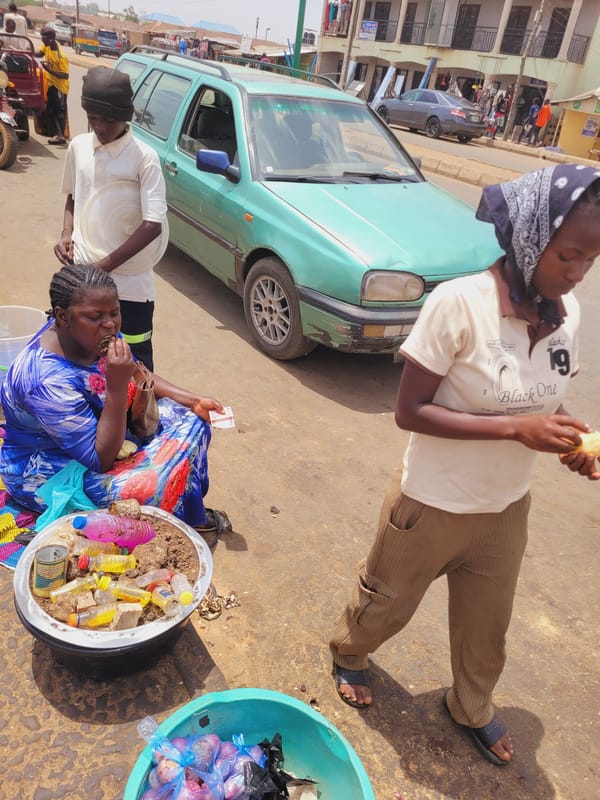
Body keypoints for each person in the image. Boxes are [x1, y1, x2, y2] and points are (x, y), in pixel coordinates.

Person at [329, 164, 600, 767]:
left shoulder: (567, 314)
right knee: (387, 602)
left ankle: (470, 705)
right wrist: (514, 428)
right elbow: (409, 410)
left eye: (591, 260)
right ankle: (349, 653)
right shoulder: (459, 304)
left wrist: (570, 441)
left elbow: (544, 401)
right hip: (433, 500)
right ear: (531, 238)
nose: (577, 273)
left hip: (505, 507)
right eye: (568, 255)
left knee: (487, 627)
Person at [0, 265, 229, 537]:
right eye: (96, 316)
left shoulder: (90, 335)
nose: (110, 324)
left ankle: (185, 511)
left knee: (193, 418)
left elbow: (134, 369)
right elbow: (100, 459)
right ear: (62, 317)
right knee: (151, 482)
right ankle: (172, 516)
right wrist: (118, 388)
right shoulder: (44, 381)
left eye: (114, 312)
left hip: (99, 432)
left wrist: (193, 400)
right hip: (48, 473)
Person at [54, 66, 167, 371]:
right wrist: (66, 233)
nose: (100, 127)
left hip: (130, 285)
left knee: (134, 360)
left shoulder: (144, 158)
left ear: (126, 117)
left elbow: (152, 225)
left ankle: (135, 417)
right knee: (80, 356)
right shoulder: (78, 147)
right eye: (93, 118)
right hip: (82, 281)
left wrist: (103, 269)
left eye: (109, 120)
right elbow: (73, 196)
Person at [37, 25, 69, 145]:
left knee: (58, 111)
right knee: (50, 110)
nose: (42, 41)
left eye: (44, 39)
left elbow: (65, 75)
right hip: (51, 84)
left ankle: (60, 136)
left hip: (60, 86)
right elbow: (40, 53)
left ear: (50, 39)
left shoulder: (61, 56)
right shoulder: (47, 45)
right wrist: (28, 51)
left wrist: (49, 70)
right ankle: (57, 134)